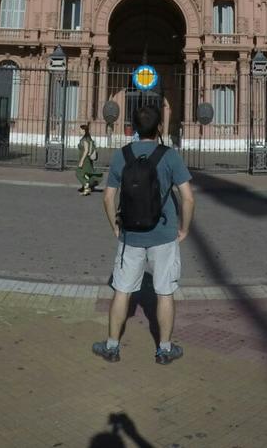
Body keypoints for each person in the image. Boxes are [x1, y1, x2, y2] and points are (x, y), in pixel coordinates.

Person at [93, 103, 195, 366]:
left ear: (135, 128)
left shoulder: (122, 155)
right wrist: (184, 228)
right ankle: (164, 350)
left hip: (130, 235)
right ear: (159, 127)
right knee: (164, 293)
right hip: (164, 234)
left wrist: (115, 226)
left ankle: (112, 346)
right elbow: (188, 198)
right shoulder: (169, 156)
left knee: (122, 291)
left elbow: (107, 197)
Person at [76, 123, 100, 195]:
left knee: (78, 172)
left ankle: (86, 187)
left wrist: (82, 161)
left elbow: (86, 150)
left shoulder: (84, 139)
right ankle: (87, 186)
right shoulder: (88, 138)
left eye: (80, 129)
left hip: (85, 159)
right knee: (88, 173)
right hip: (88, 159)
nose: (79, 131)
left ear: (83, 130)